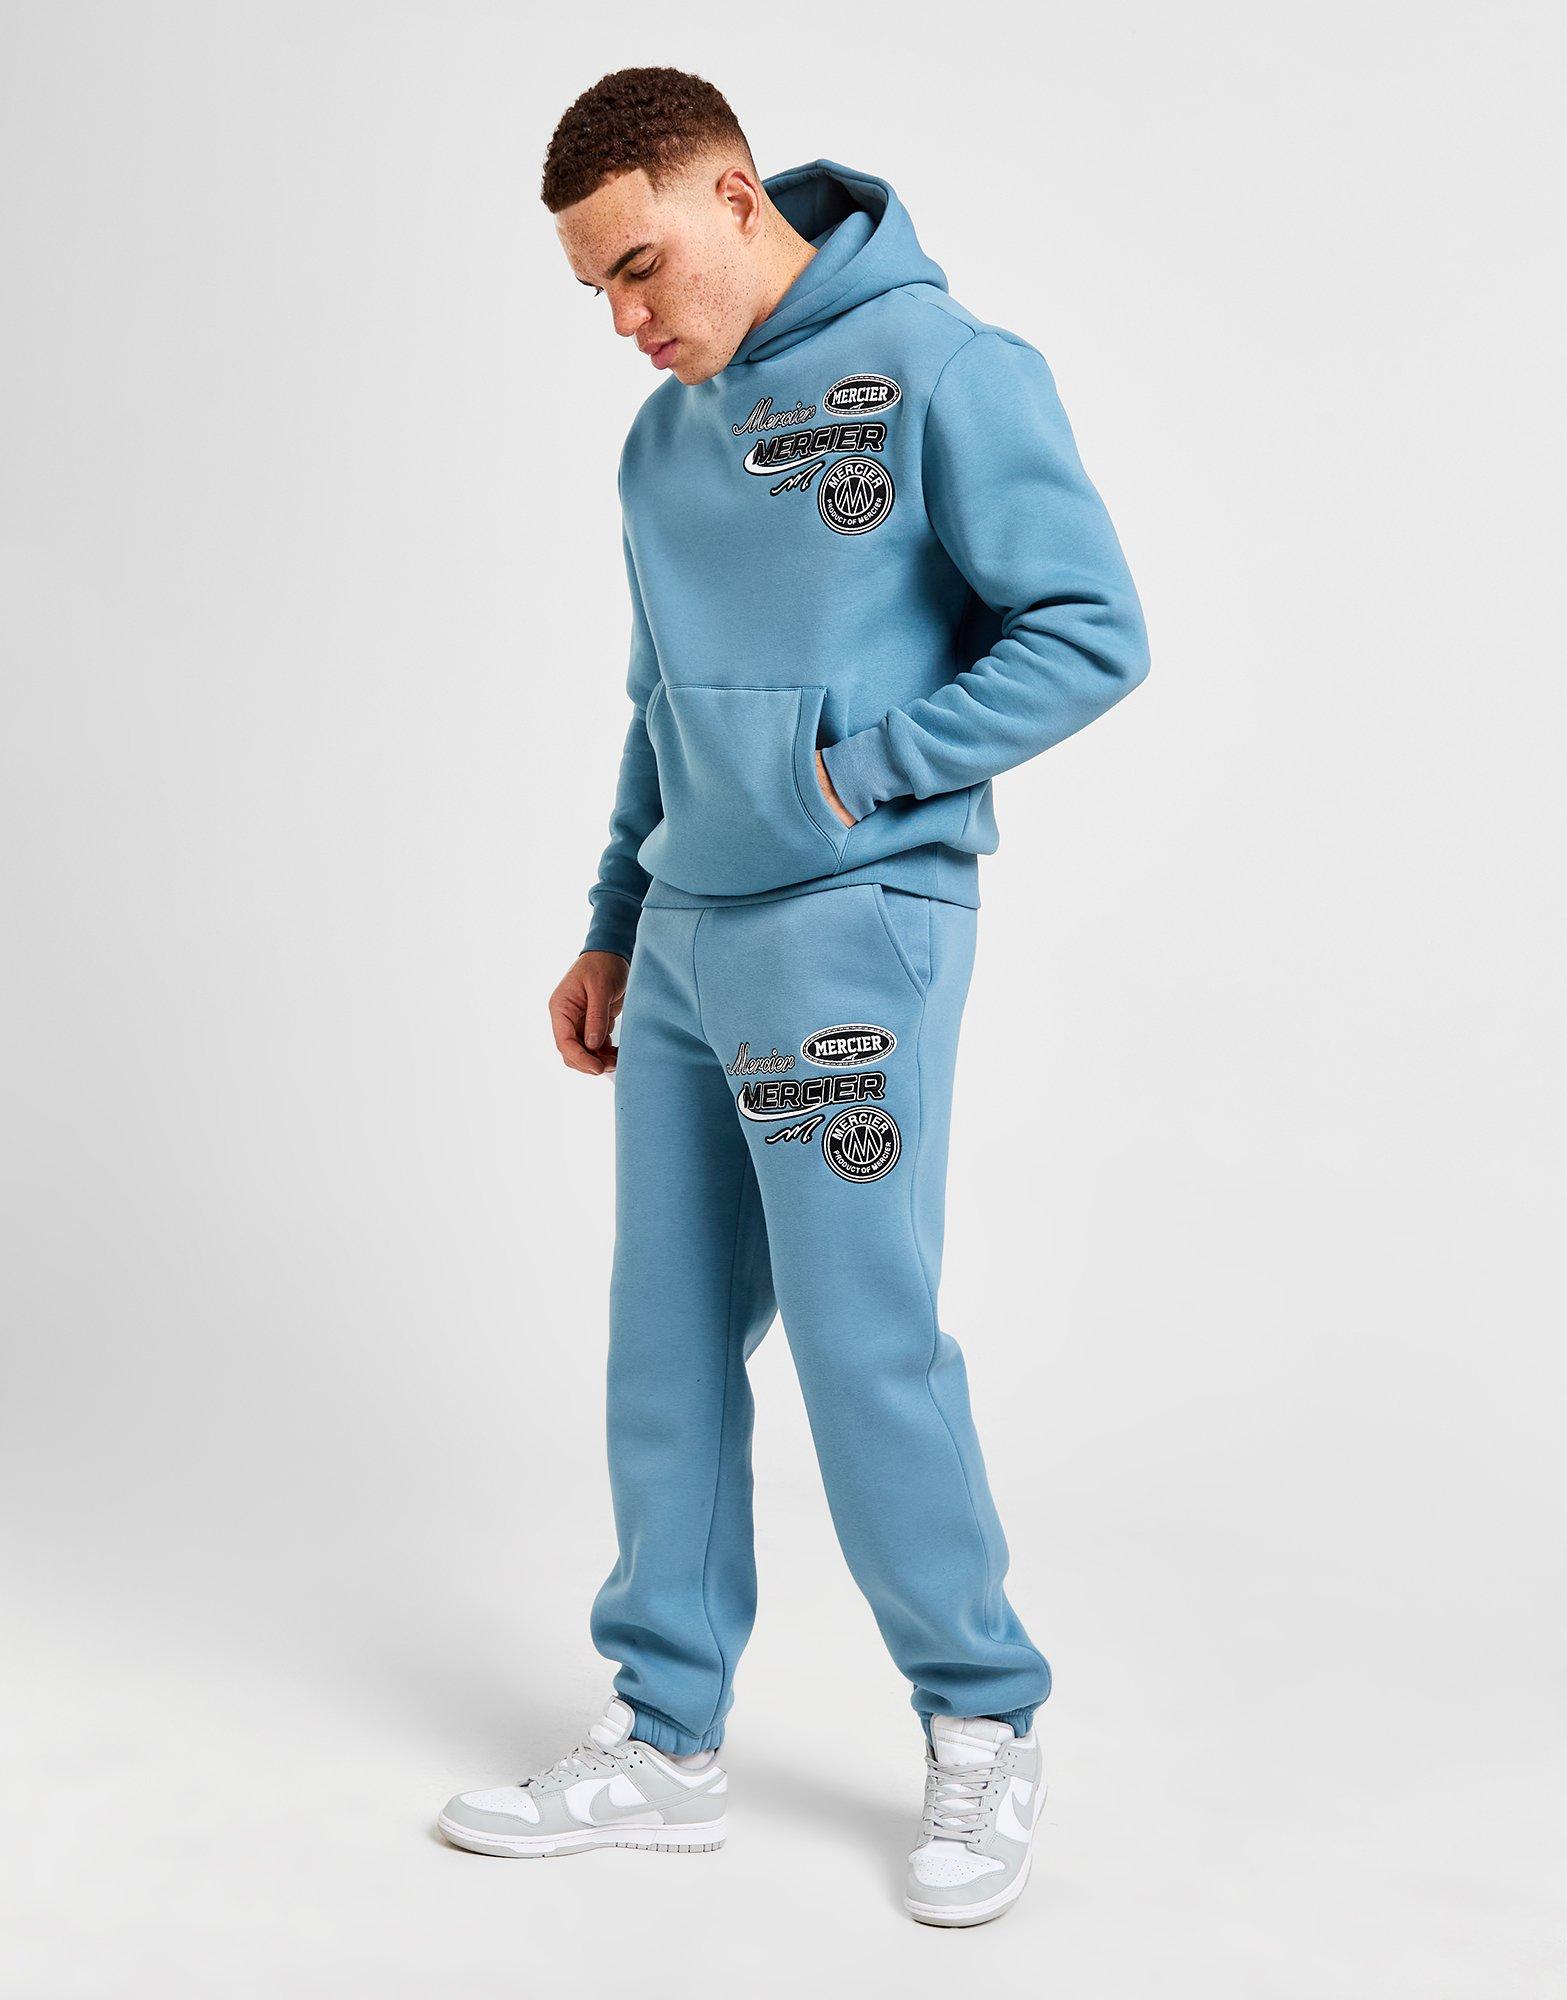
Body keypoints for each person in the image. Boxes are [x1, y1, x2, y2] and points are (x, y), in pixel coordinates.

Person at [437, 66, 1150, 1928]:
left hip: (851, 928)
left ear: (737, 199)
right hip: (686, 939)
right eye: (593, 289)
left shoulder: (943, 369)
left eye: (640, 267)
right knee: (665, 1343)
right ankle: (665, 1739)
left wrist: (856, 779)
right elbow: (659, 712)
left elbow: (1091, 628)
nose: (625, 318)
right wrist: (614, 920)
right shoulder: (659, 448)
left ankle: (983, 1717)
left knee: (861, 1338)